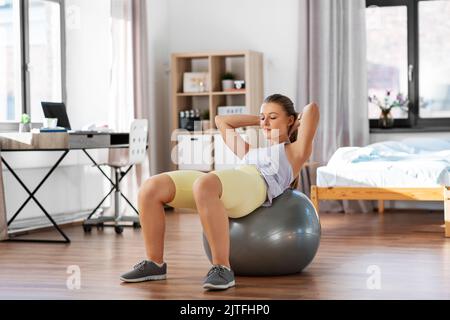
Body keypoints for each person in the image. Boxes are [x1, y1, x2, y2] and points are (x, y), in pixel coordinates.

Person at [120, 94, 320, 291]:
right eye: (262, 116)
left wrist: (292, 125)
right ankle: (155, 264)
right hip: (230, 181)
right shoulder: (250, 151)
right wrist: (261, 120)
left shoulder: (295, 152)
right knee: (151, 187)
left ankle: (222, 268)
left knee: (205, 184)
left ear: (291, 120)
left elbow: (311, 109)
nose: (265, 122)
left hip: (256, 185)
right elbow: (221, 121)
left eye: (273, 117)